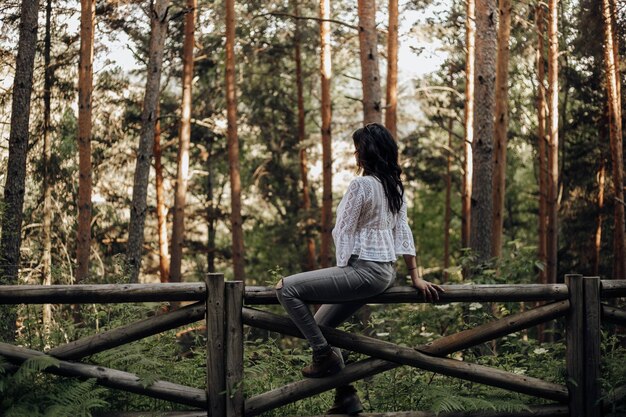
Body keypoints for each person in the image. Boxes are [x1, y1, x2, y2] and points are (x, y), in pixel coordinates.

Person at [275, 122, 445, 415]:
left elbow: (343, 230)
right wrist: (415, 276)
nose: (355, 154)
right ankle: (346, 397)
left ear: (366, 153)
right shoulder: (394, 187)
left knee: (286, 288)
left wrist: (344, 264)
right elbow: (403, 231)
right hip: (385, 273)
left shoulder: (361, 185)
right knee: (323, 326)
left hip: (364, 271)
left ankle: (322, 354)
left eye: (357, 148)